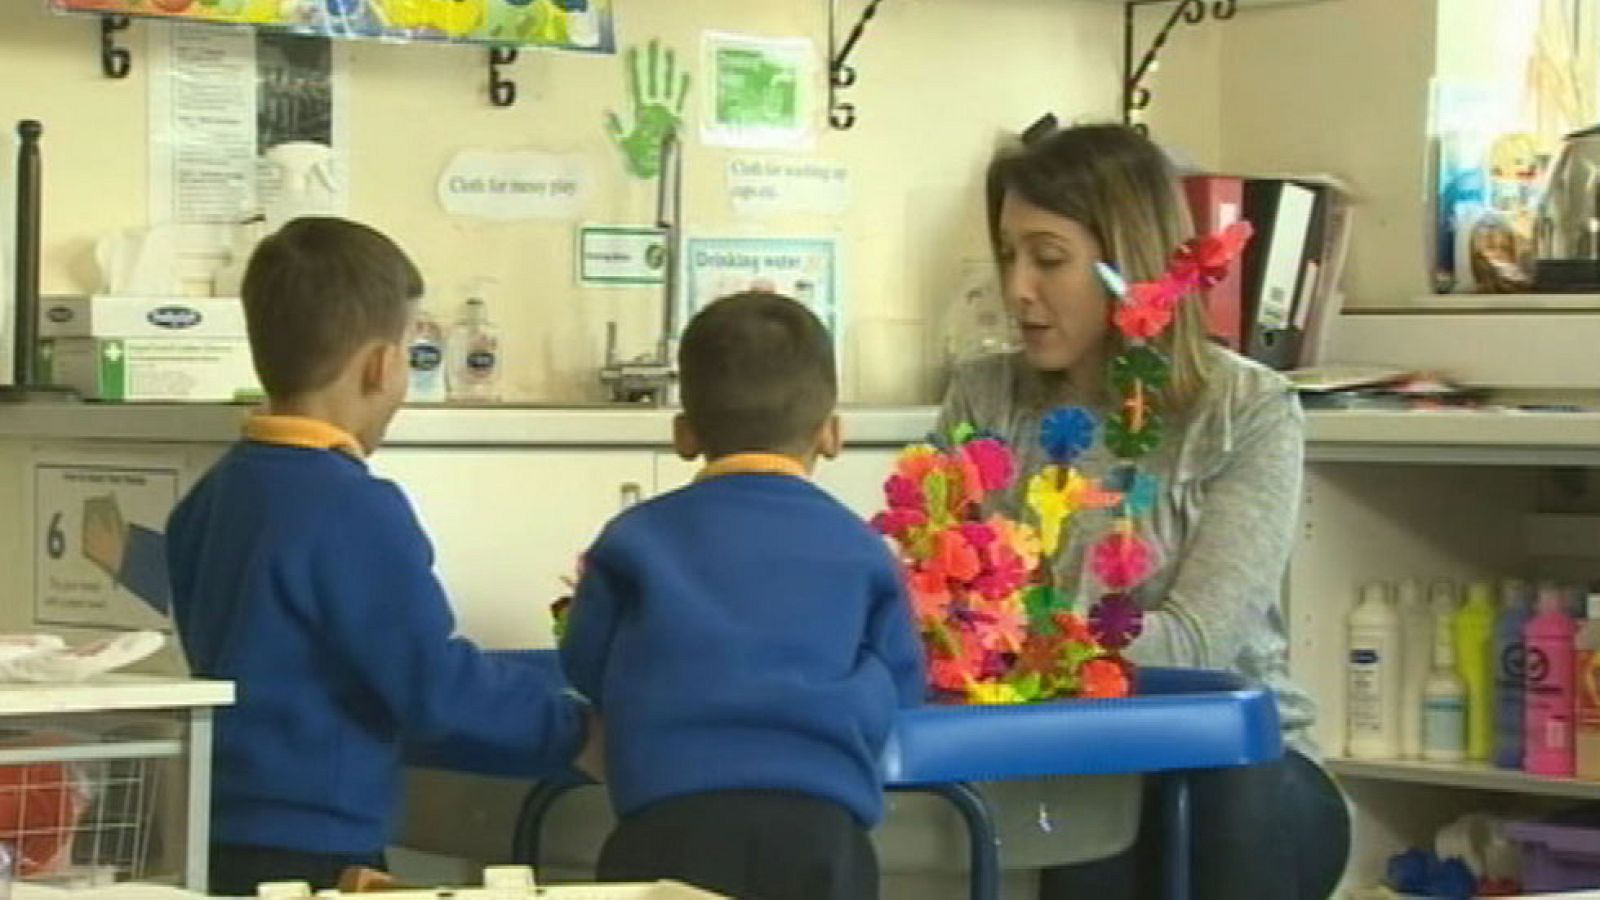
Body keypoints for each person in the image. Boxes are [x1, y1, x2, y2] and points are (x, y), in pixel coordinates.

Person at [939, 123, 1350, 899]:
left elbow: (1195, 647)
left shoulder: (1245, 409)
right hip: (1063, 770)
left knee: (1201, 800)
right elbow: (945, 608)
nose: (1018, 287)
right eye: (1007, 256)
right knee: (1080, 824)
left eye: (1048, 258)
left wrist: (1018, 654)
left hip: (1245, 779)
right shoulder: (982, 397)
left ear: (1123, 262)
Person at [165, 218, 594, 896]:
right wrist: (579, 732)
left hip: (218, 838)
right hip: (319, 855)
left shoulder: (217, 493)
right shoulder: (351, 506)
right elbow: (434, 686)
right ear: (381, 365)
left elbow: (330, 664)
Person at [560, 292, 925, 900]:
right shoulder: (859, 548)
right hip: (822, 828)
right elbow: (905, 681)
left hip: (665, 824)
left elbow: (585, 663)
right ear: (832, 435)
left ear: (684, 434)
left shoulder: (635, 538)